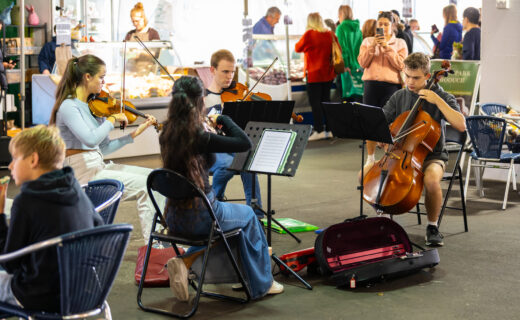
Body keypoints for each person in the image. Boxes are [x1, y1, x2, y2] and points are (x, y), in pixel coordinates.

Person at [159, 75, 283, 301]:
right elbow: (245, 144)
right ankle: (262, 282)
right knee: (248, 215)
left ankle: (189, 262)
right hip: (202, 216)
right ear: (200, 101)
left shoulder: (166, 133)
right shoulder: (199, 136)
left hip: (173, 217)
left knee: (230, 218)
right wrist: (225, 120)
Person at [48, 54, 162, 241]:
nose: (104, 82)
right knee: (145, 187)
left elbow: (104, 147)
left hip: (97, 165)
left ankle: (161, 241)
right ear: (87, 77)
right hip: (82, 173)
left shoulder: (94, 106)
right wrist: (111, 119)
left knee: (155, 179)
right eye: (101, 77)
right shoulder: (69, 106)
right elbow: (90, 140)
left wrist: (134, 133)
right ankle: (155, 248)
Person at [366, 52, 466, 246]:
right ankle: (384, 223)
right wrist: (383, 137)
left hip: (432, 156)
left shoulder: (442, 96)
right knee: (369, 176)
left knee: (430, 180)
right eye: (407, 76)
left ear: (428, 76)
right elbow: (379, 123)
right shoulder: (400, 96)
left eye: (416, 78)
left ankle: (432, 226)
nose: (410, 82)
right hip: (400, 154)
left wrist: (437, 100)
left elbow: (461, 125)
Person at [0, 125, 103, 312]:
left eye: (15, 158)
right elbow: (99, 225)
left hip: (41, 296)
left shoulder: (26, 200)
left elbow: (8, 262)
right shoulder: (75, 188)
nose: (10, 166)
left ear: (33, 159)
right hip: (82, 291)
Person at [204, 49, 263, 215]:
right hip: (211, 149)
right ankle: (213, 207)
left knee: (247, 158)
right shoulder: (203, 98)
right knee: (227, 165)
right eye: (225, 71)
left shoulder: (235, 96)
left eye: (232, 71)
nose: (230, 76)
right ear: (212, 70)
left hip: (230, 145)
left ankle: (255, 212)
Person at [358, 11, 407, 168]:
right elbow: (362, 63)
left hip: (391, 87)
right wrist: (373, 46)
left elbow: (401, 65)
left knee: (390, 123)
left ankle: (388, 156)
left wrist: (386, 48)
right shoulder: (367, 41)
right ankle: (370, 158)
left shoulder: (400, 43)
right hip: (371, 85)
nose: (383, 27)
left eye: (386, 24)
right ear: (376, 26)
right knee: (369, 122)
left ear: (392, 26)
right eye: (380, 24)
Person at [295, 12, 338, 141]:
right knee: (326, 101)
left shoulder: (309, 34)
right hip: (328, 73)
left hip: (314, 74)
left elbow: (297, 48)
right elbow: (338, 49)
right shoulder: (330, 34)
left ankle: (319, 130)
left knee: (316, 103)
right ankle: (329, 130)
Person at [335, 5, 363, 101]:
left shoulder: (341, 28)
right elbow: (361, 48)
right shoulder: (358, 29)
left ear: (340, 14)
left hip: (346, 68)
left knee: (346, 100)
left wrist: (345, 65)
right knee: (357, 99)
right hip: (358, 66)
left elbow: (342, 48)